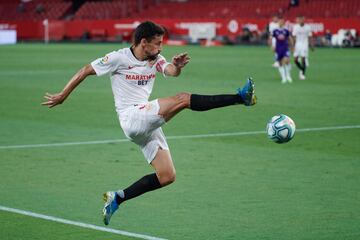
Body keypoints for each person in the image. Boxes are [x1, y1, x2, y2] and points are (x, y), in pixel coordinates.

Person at [42, 21, 257, 225]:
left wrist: (178, 67)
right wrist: (63, 95)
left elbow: (170, 71)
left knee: (167, 175)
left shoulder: (155, 58)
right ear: (143, 42)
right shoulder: (118, 58)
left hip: (145, 121)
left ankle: (117, 198)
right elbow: (85, 70)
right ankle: (240, 98)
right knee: (182, 99)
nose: (161, 47)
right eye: (158, 42)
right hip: (131, 117)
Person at [272, 17, 293, 84]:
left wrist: (292, 46)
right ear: (278, 22)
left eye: (282, 21)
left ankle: (288, 76)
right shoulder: (275, 30)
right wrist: (273, 46)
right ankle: (283, 78)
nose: (281, 22)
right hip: (278, 48)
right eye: (280, 21)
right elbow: (272, 39)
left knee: (286, 61)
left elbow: (290, 38)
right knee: (280, 63)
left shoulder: (286, 30)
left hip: (285, 48)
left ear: (283, 22)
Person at [292, 16, 314, 80]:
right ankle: (302, 69)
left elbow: (310, 37)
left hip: (305, 44)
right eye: (300, 19)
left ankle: (302, 74)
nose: (301, 21)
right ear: (298, 20)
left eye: (302, 19)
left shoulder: (308, 27)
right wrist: (293, 46)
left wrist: (311, 45)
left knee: (303, 59)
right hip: (297, 45)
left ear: (304, 20)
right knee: (295, 60)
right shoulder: (295, 27)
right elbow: (294, 37)